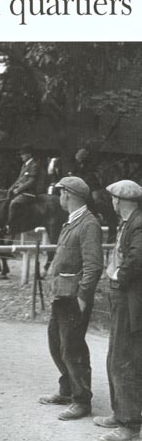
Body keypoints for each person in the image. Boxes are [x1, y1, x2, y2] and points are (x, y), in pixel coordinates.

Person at [39, 176, 103, 421]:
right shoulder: (73, 221)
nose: (59, 197)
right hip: (62, 295)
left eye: (61, 192)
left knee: (72, 349)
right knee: (56, 343)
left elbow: (93, 266)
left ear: (68, 194)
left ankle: (81, 400)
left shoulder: (88, 224)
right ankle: (67, 390)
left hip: (74, 298)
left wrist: (83, 297)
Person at [93, 180, 142, 441]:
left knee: (125, 360)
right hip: (121, 297)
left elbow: (137, 258)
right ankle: (119, 412)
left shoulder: (138, 223)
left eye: (112, 198)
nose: (111, 202)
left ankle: (130, 424)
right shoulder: (129, 223)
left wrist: (117, 276)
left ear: (119, 201)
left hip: (129, 298)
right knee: (115, 355)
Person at [6, 144, 38, 233]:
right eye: (21, 154)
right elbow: (19, 179)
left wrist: (18, 189)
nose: (21, 156)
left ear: (29, 154)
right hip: (20, 192)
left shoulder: (34, 165)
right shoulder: (24, 165)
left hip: (29, 193)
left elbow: (31, 181)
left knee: (13, 203)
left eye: (23, 154)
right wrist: (10, 188)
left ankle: (10, 227)